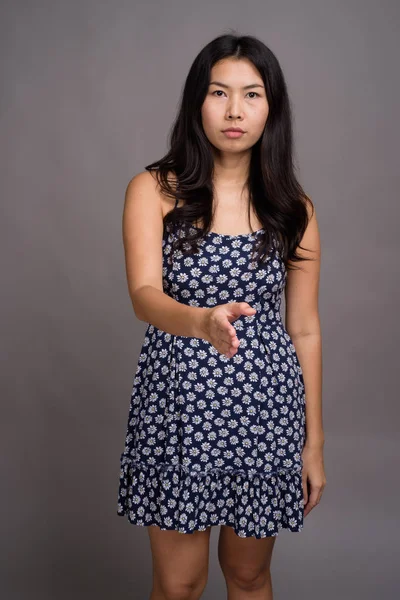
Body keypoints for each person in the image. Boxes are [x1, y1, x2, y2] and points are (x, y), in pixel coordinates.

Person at [117, 32, 326, 600]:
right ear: (196, 102)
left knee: (249, 575)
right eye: (219, 92)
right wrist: (202, 322)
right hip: (178, 407)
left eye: (252, 95)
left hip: (265, 410)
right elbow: (143, 294)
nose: (235, 110)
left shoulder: (293, 208)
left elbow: (303, 327)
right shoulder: (154, 190)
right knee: (180, 584)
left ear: (271, 109)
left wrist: (313, 443)